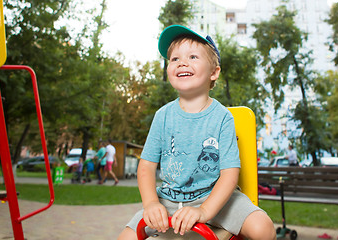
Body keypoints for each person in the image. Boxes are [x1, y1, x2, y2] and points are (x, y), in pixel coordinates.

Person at [117, 25, 275, 240]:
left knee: (263, 229)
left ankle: (221, 225)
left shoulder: (222, 117)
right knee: (124, 238)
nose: (182, 62)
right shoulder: (162, 116)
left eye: (193, 56)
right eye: (174, 59)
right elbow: (146, 167)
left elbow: (229, 173)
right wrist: (152, 204)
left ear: (214, 72)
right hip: (170, 201)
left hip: (217, 199)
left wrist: (204, 211)